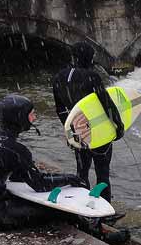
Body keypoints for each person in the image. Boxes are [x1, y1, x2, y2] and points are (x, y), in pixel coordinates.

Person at [0, 94, 88, 231]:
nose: (34, 118)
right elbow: (40, 184)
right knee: (60, 211)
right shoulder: (16, 150)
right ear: (20, 118)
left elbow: (16, 175)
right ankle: (94, 230)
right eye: (31, 115)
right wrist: (71, 179)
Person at [52, 42, 124, 203]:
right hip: (97, 130)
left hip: (77, 130)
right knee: (103, 172)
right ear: (89, 58)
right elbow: (107, 104)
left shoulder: (58, 77)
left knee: (82, 171)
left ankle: (81, 206)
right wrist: (118, 126)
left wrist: (70, 130)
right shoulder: (91, 76)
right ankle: (104, 209)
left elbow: (60, 109)